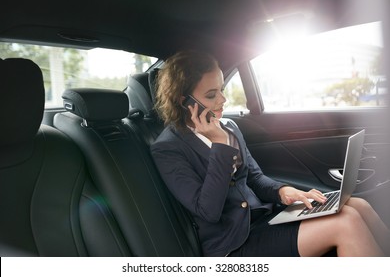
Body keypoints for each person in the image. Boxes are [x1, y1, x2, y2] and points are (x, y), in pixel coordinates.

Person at [150, 50, 390, 257]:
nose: (223, 99)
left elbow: (255, 178)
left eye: (221, 89)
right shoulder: (169, 148)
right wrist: (220, 147)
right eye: (211, 95)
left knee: (357, 205)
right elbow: (208, 212)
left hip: (265, 219)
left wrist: (283, 192)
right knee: (346, 223)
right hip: (232, 245)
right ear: (185, 101)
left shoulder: (230, 127)